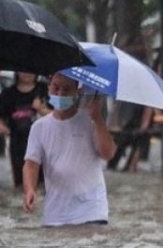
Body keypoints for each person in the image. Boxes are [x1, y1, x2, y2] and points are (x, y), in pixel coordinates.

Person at [22, 72, 117, 226]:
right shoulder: (39, 127)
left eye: (66, 89)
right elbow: (31, 163)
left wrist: (98, 119)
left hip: (91, 210)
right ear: (49, 89)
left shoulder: (90, 120)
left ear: (77, 92)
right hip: (55, 213)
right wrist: (30, 189)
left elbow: (108, 153)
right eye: (56, 88)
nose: (60, 93)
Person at [0, 72, 50, 187]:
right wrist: (5, 129)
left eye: (31, 70)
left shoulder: (45, 89)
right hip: (18, 145)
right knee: (23, 183)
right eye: (23, 70)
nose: (27, 74)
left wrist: (42, 110)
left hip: (44, 144)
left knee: (45, 184)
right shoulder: (8, 93)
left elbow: (59, 115)